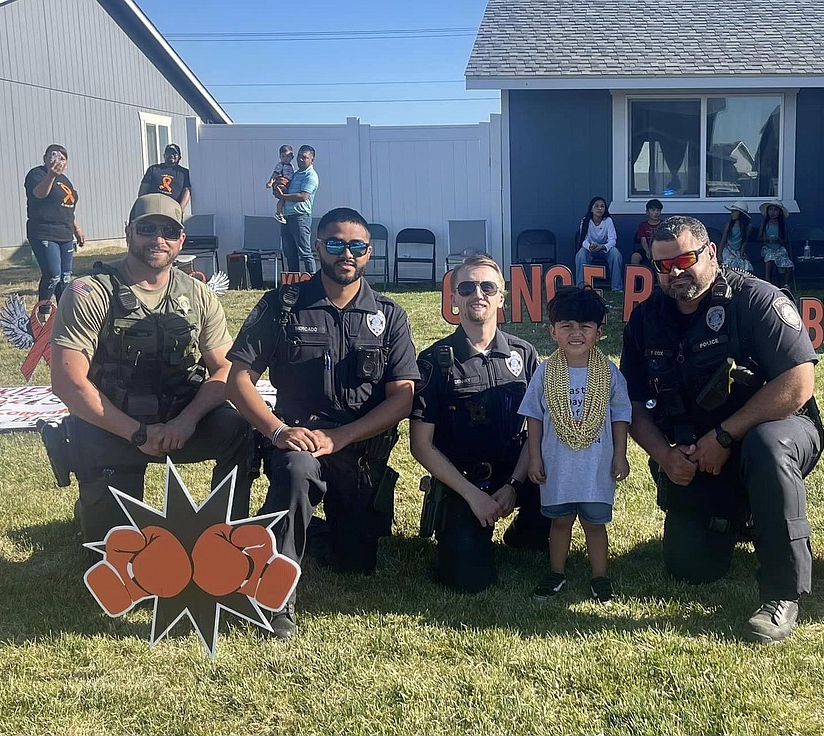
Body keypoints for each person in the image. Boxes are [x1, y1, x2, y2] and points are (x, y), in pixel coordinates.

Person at [620, 215, 824, 644]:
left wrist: (726, 436)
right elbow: (633, 403)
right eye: (663, 265)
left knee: (766, 449)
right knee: (689, 569)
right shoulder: (646, 320)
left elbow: (799, 383)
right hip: (701, 453)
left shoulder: (755, 300)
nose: (674, 272)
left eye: (685, 259)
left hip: (779, 429)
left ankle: (782, 592)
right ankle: (745, 517)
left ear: (711, 253)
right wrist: (666, 456)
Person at [226, 206, 418, 639]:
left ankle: (285, 527)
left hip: (358, 449)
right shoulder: (283, 305)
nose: (345, 254)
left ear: (369, 253)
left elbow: (403, 396)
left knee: (356, 563)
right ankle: (274, 597)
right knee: (296, 474)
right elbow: (238, 379)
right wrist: (278, 431)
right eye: (334, 243)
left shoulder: (389, 315)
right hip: (299, 442)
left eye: (356, 246)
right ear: (317, 247)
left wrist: (342, 436)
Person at [48, 194, 254, 544]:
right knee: (114, 557)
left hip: (181, 422)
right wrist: (138, 433)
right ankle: (94, 504)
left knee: (240, 430)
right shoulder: (88, 292)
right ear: (128, 232)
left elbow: (225, 370)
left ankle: (226, 535)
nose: (158, 239)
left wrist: (186, 421)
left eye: (169, 232)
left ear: (181, 241)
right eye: (147, 228)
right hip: (112, 425)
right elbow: (68, 383)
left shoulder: (199, 295)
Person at [410, 253, 551, 594]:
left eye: (488, 286)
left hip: (516, 470)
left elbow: (538, 427)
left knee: (558, 474)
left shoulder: (524, 354)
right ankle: (460, 525)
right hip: (463, 480)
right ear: (454, 299)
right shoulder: (434, 361)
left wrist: (515, 484)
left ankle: (526, 530)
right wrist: (474, 497)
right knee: (468, 581)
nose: (478, 294)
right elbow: (421, 445)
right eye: (467, 287)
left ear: (501, 297)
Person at [520, 286, 631, 604]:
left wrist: (620, 456)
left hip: (596, 466)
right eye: (567, 325)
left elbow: (620, 416)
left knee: (595, 525)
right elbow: (534, 418)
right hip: (558, 465)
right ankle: (556, 572)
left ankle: (600, 577)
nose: (576, 333)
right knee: (560, 521)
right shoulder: (545, 373)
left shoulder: (609, 373)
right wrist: (534, 458)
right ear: (553, 331)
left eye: (585, 326)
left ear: (599, 331)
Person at [25, 144, 85, 320]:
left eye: (63, 158)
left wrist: (77, 229)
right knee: (53, 274)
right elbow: (39, 194)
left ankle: (64, 314)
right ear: (45, 158)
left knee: (65, 278)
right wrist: (51, 175)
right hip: (44, 231)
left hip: (65, 232)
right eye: (54, 156)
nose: (59, 160)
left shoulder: (65, 180)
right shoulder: (37, 175)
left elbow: (67, 207)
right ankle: (42, 314)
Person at [274, 145, 319, 274]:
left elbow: (303, 196)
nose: (300, 160)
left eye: (304, 158)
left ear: (312, 160)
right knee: (290, 253)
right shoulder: (296, 173)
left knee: (305, 252)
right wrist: (278, 190)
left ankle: (312, 281)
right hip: (287, 217)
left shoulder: (311, 176)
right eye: (299, 156)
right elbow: (288, 191)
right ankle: (293, 285)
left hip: (300, 217)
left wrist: (283, 196)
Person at [575, 196, 624, 291]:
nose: (600, 208)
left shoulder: (608, 221)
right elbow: (584, 240)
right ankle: (581, 287)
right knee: (580, 255)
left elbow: (612, 240)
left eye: (602, 206)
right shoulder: (585, 221)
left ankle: (617, 288)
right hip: (591, 249)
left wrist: (603, 246)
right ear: (591, 209)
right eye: (596, 206)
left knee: (616, 254)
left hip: (605, 249)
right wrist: (590, 247)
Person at [139, 143, 192, 211]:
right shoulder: (153, 169)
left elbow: (187, 191)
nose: (171, 155)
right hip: (152, 207)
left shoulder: (184, 173)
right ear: (164, 156)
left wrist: (180, 210)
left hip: (171, 209)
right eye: (169, 153)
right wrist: (141, 205)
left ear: (179, 157)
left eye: (174, 154)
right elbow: (144, 189)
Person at [758, 201, 792, 286]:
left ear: (780, 212)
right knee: (770, 258)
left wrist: (778, 240)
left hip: (779, 248)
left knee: (788, 264)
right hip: (768, 248)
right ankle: (767, 281)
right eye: (770, 210)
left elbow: (785, 241)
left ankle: (786, 284)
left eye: (775, 210)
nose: (773, 212)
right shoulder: (765, 224)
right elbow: (759, 238)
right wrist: (767, 239)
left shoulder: (782, 225)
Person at [719, 203, 754, 272]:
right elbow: (723, 241)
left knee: (744, 265)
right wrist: (719, 254)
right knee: (729, 264)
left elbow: (744, 241)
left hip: (738, 251)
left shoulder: (748, 226)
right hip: (729, 249)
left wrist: (742, 253)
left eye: (735, 211)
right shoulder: (729, 225)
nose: (732, 213)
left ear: (741, 214)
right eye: (732, 211)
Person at [267, 145, 295, 224]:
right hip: (280, 182)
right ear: (280, 157)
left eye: (288, 156)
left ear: (292, 157)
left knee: (284, 199)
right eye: (283, 156)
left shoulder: (291, 166)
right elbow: (275, 174)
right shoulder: (280, 165)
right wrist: (270, 182)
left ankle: (281, 213)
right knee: (282, 197)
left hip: (287, 183)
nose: (285, 159)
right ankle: (278, 213)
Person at [631, 198, 663, 266]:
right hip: (647, 249)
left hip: (661, 249)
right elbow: (643, 240)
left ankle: (660, 276)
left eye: (658, 210)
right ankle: (638, 276)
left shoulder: (664, 224)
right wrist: (647, 251)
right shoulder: (643, 225)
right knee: (635, 257)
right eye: (653, 210)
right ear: (647, 212)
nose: (656, 213)